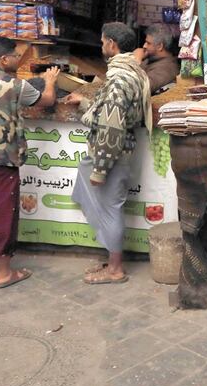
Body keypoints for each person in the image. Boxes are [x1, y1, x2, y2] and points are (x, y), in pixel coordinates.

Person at [63, 22, 151, 285]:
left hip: (112, 155)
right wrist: (86, 103)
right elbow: (112, 113)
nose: (102, 46)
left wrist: (100, 169)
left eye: (103, 42)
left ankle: (115, 269)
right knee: (110, 207)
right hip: (121, 152)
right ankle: (112, 261)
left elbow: (112, 128)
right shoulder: (132, 72)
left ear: (112, 44)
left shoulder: (118, 79)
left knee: (111, 209)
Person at [0, 37, 59, 288]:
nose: (18, 59)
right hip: (1, 160)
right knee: (3, 213)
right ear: (4, 60)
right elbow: (47, 100)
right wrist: (49, 81)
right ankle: (3, 273)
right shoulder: (14, 85)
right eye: (15, 56)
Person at [135, 23, 179, 94]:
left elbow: (142, 87)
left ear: (159, 46)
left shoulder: (167, 68)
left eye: (148, 43)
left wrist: (137, 61)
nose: (144, 46)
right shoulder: (151, 58)